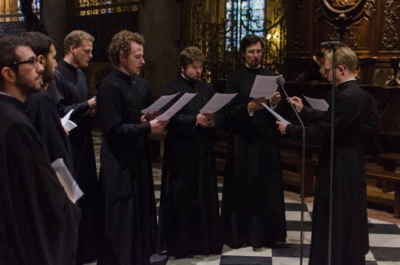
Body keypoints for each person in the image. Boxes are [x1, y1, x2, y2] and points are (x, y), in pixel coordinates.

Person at [276, 46, 379, 265]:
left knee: (334, 216)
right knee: (347, 215)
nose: (325, 74)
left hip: (338, 165)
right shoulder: (362, 95)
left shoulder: (346, 98)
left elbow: (323, 132)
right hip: (352, 161)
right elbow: (357, 126)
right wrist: (305, 110)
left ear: (341, 69)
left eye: (329, 69)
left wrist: (290, 129)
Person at [0, 35, 79, 265]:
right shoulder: (16, 122)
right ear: (8, 74)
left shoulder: (13, 112)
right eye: (31, 62)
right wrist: (72, 205)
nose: (40, 67)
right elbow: (51, 170)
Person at [96, 30, 168, 265]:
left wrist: (145, 120)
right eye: (137, 56)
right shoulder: (109, 86)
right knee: (122, 223)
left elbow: (132, 120)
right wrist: (148, 128)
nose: (143, 61)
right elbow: (114, 131)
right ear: (121, 56)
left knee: (139, 220)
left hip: (137, 162)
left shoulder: (136, 84)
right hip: (119, 167)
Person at [221, 34, 287, 250]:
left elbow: (280, 113)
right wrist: (249, 108)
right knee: (245, 186)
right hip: (243, 140)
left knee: (266, 186)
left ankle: (267, 235)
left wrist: (276, 104)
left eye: (259, 51)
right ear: (243, 54)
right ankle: (242, 234)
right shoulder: (234, 78)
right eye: (251, 52)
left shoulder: (271, 76)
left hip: (265, 139)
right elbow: (227, 113)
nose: (256, 56)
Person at [157, 46, 223, 258]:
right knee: (182, 197)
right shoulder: (172, 88)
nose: (198, 71)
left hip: (203, 152)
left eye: (200, 67)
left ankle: (205, 243)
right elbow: (168, 119)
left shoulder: (206, 88)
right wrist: (194, 120)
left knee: (203, 196)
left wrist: (212, 120)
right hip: (181, 153)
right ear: (183, 67)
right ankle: (181, 245)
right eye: (194, 67)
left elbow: (220, 115)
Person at [47, 30, 99, 264]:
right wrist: (86, 105)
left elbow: (81, 105)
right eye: (86, 51)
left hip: (85, 145)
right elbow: (59, 111)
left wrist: (90, 108)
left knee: (86, 196)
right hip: (68, 146)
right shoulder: (57, 75)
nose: (90, 55)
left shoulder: (79, 74)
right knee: (71, 198)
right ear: (72, 49)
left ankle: (87, 249)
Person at [23, 31, 75, 175]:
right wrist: (70, 194)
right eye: (53, 57)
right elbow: (55, 156)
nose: (56, 64)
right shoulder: (40, 99)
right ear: (41, 61)